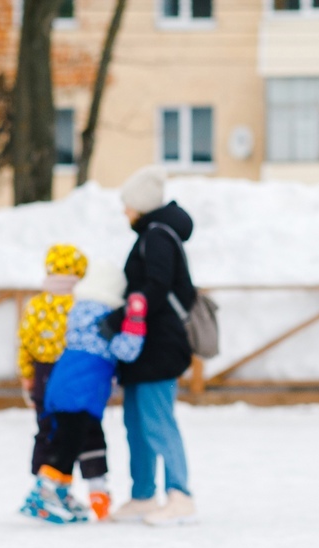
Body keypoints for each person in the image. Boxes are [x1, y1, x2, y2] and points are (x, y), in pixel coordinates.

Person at [105, 165, 198, 526]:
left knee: (157, 420)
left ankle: (180, 494)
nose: (124, 210)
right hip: (142, 343)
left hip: (160, 343)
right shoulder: (150, 234)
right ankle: (143, 494)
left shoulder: (157, 236)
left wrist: (120, 314)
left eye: (127, 204)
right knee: (135, 421)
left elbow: (156, 288)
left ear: (141, 204)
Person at [21, 262, 145, 524]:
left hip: (62, 387)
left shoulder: (80, 311)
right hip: (80, 394)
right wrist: (135, 318)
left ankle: (61, 494)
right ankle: (43, 495)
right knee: (69, 445)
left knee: (68, 439)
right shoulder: (106, 318)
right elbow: (127, 351)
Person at [18, 244, 114, 520]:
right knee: (83, 430)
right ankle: (87, 487)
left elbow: (24, 342)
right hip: (75, 372)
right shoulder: (81, 304)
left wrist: (27, 374)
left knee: (48, 430)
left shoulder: (36, 304)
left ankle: (46, 485)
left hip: (42, 372)